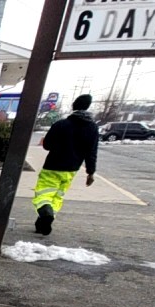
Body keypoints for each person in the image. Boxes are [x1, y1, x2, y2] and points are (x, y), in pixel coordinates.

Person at [33, 94, 99, 236]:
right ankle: (43, 222)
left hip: (52, 165)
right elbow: (91, 152)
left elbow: (47, 145)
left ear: (73, 106)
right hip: (71, 169)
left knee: (43, 194)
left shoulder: (61, 124)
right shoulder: (92, 128)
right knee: (57, 196)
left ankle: (45, 214)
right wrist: (90, 172)